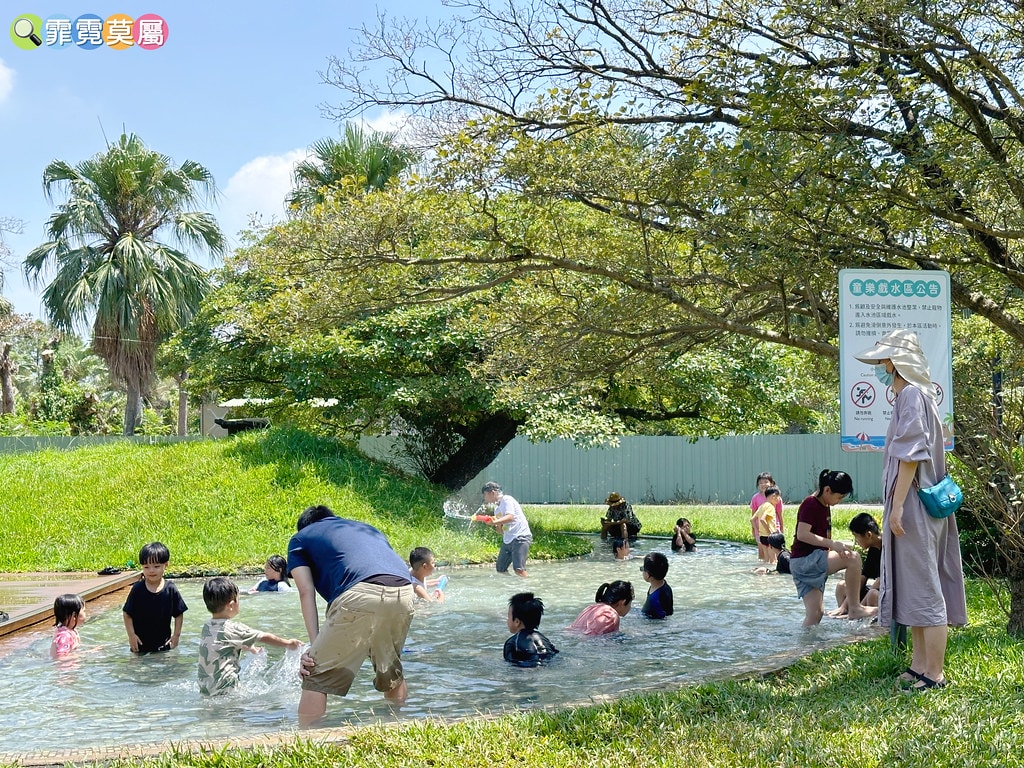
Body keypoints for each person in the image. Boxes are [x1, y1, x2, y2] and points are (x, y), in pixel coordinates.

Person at [854, 329, 967, 691]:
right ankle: (919, 666)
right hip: (918, 507)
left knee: (926, 588)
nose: (881, 365)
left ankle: (934, 673)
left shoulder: (912, 396)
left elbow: (910, 456)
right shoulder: (917, 395)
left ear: (896, 361)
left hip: (915, 508)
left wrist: (898, 506)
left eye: (885, 359)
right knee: (917, 587)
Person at [288, 504, 415, 725]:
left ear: (305, 526)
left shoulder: (301, 538)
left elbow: (305, 591)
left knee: (314, 675)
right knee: (390, 670)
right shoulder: (367, 528)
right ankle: (397, 726)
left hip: (360, 593)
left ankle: (308, 738)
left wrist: (314, 646)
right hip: (404, 593)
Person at [788, 470, 876, 627]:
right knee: (853, 559)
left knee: (815, 614)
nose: (839, 501)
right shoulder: (811, 504)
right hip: (806, 560)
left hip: (800, 564)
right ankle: (854, 608)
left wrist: (836, 544)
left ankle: (806, 648)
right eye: (839, 497)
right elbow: (802, 534)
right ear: (827, 490)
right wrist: (832, 544)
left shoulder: (823, 504)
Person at [197, 577, 302, 696]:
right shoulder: (233, 628)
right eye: (238, 600)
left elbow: (221, 644)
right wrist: (288, 643)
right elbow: (264, 636)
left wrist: (249, 648)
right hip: (226, 688)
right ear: (231, 605)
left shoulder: (207, 626)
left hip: (205, 687)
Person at [122, 542, 188, 653]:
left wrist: (176, 635)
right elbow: (127, 614)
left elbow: (179, 613)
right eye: (146, 567)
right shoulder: (137, 589)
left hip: (164, 645)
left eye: (156, 566)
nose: (151, 570)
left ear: (166, 565)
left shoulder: (170, 589)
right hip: (139, 645)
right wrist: (131, 635)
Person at [829, 513, 882, 617]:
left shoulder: (889, 548)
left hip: (891, 596)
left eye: (856, 537)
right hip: (874, 592)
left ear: (868, 535)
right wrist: (844, 606)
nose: (856, 542)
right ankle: (845, 615)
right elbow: (862, 578)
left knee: (873, 595)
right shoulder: (873, 549)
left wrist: (857, 610)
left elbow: (880, 582)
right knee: (842, 586)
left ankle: (874, 629)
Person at [482, 482, 532, 577]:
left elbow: (510, 517)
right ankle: (511, 585)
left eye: (485, 495)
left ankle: (528, 585)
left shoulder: (507, 499)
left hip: (520, 537)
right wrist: (496, 523)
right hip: (508, 540)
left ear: (492, 493)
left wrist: (495, 522)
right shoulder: (497, 509)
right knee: (500, 569)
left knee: (518, 569)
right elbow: (501, 531)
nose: (485, 498)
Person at [503, 592, 559, 666]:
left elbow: (510, 665)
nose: (507, 620)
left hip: (529, 669)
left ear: (517, 622)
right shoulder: (545, 640)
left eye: (508, 617)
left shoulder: (511, 643)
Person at [568, 580, 634, 635]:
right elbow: (593, 641)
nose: (630, 607)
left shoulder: (592, 607)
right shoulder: (610, 615)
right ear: (623, 602)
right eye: (630, 603)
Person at [750, 472, 784, 560]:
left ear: (771, 483)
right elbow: (753, 515)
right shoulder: (755, 498)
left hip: (774, 528)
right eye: (760, 483)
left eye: (766, 482)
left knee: (774, 552)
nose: (763, 484)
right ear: (758, 485)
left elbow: (780, 515)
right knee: (762, 552)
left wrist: (782, 529)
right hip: (761, 529)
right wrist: (754, 529)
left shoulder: (777, 498)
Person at [51, 593, 86, 659]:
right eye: (84, 611)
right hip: (65, 668)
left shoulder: (69, 630)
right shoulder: (64, 636)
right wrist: (85, 654)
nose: (85, 614)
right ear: (74, 616)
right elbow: (61, 657)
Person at [640, 551, 673, 619]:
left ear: (648, 575)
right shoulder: (665, 586)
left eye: (643, 569)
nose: (642, 571)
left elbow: (661, 619)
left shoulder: (654, 599)